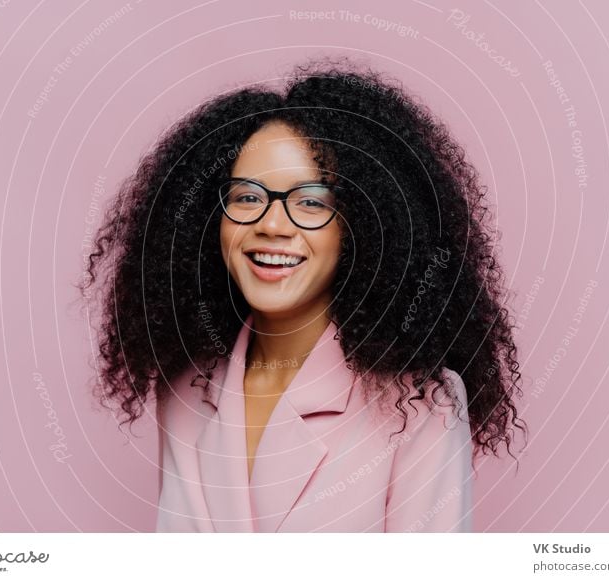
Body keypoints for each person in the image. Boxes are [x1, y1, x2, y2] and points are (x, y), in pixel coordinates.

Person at [81, 59, 526, 532]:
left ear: (362, 227)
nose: (272, 225)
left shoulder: (420, 406)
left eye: (311, 201)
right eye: (247, 197)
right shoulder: (183, 391)